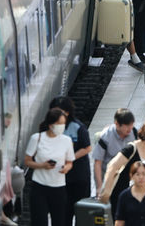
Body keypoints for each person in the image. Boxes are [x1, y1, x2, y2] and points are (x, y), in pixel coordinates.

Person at [98, 121, 145, 219]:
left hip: (141, 195)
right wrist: (106, 190)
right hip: (122, 193)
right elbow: (112, 166)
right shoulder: (131, 148)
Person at [25, 108, 75, 226]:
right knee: (39, 221)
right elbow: (27, 161)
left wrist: (66, 168)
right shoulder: (37, 138)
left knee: (59, 221)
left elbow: (70, 162)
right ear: (50, 124)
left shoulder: (66, 141)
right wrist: (42, 165)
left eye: (64, 124)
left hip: (59, 187)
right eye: (59, 124)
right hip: (39, 186)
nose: (62, 127)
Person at [49, 97, 92, 226]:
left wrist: (69, 157)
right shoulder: (49, 127)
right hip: (59, 179)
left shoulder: (77, 127)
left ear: (68, 112)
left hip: (78, 178)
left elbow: (87, 147)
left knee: (80, 213)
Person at [93, 109, 137, 200]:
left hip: (127, 178)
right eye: (127, 126)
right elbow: (98, 163)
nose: (130, 128)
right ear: (117, 124)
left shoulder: (135, 133)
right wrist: (99, 186)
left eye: (131, 125)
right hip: (110, 177)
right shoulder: (105, 136)